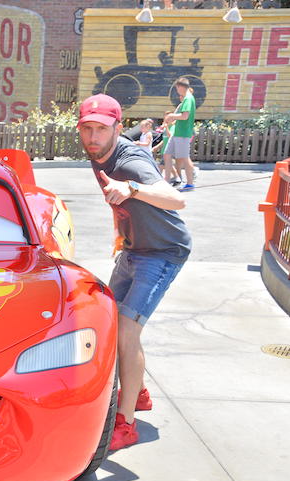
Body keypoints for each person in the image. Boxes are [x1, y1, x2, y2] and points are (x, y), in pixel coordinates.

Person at [76, 93, 192, 451]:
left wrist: (134, 188)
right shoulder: (99, 156)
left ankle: (125, 425)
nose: (93, 137)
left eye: (101, 129)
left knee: (127, 332)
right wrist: (121, 235)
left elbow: (177, 199)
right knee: (110, 322)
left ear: (118, 127)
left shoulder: (131, 161)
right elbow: (120, 204)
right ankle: (136, 392)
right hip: (133, 249)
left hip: (163, 252)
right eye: (87, 129)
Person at [163, 77, 196, 192]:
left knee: (185, 158)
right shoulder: (187, 98)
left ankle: (190, 183)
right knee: (167, 154)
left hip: (183, 133)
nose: (177, 91)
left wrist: (171, 116)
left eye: (177, 88)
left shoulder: (188, 99)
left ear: (180, 87)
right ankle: (166, 181)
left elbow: (185, 116)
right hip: (177, 132)